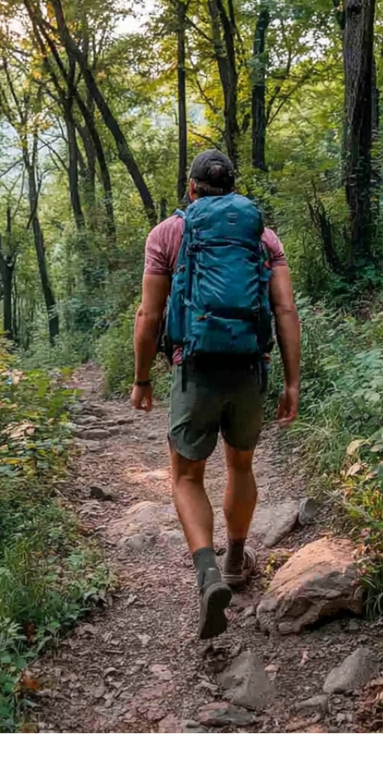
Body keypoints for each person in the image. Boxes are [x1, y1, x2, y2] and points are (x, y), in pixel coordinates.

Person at [129, 149, 302, 639]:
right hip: (249, 368)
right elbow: (286, 312)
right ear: (233, 190)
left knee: (186, 475)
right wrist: (291, 382)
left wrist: (142, 379)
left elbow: (149, 316)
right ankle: (234, 559)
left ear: (190, 189)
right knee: (241, 466)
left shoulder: (166, 233)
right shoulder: (262, 237)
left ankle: (206, 574)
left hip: (195, 369)